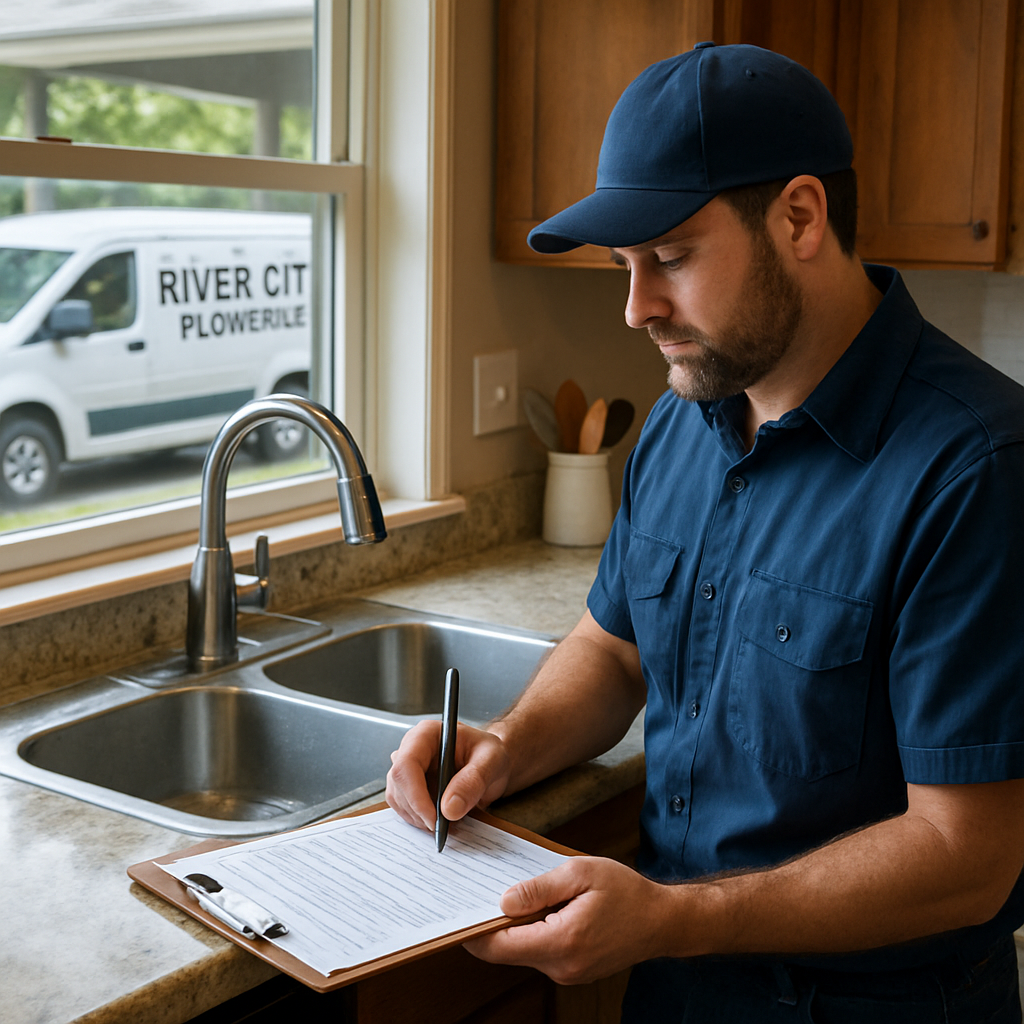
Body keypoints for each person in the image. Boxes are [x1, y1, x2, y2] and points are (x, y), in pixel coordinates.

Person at [387, 42, 1024, 1022]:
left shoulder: (976, 467)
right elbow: (613, 647)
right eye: (623, 267)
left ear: (800, 217)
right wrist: (505, 749)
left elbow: (965, 856)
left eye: (670, 259)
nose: (637, 308)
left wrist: (674, 918)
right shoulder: (684, 422)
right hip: (677, 990)